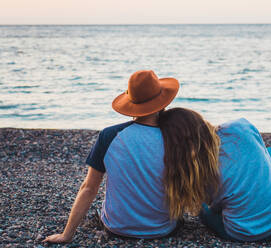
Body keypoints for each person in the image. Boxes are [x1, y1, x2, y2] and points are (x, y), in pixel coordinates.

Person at [43, 70, 180, 243]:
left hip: (117, 227)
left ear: (131, 103)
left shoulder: (109, 135)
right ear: (162, 103)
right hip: (162, 228)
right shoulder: (173, 136)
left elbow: (89, 188)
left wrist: (66, 235)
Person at [158, 108, 271, 242]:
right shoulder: (241, 126)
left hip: (242, 233)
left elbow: (215, 207)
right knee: (270, 153)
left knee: (202, 206)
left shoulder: (201, 173)